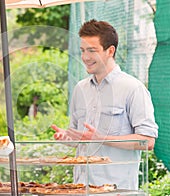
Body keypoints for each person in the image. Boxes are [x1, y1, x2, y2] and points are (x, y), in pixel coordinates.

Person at [51, 19, 158, 190]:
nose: (85, 57)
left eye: (92, 50)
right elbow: (81, 140)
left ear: (110, 51)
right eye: (83, 50)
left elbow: (147, 140)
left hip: (116, 190)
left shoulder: (133, 88)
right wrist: (67, 136)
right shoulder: (80, 89)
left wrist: (102, 138)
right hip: (80, 188)